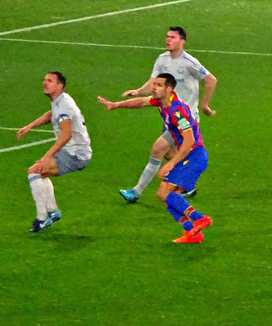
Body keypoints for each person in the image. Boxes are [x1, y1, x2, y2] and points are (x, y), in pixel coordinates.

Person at [98, 73, 212, 243]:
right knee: (162, 194)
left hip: (194, 155)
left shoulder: (177, 110)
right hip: (189, 156)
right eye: (154, 84)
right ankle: (192, 233)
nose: (154, 87)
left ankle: (199, 219)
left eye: (159, 85)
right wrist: (116, 105)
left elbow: (190, 140)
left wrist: (170, 164)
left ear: (169, 89)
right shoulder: (161, 102)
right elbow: (140, 102)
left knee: (166, 192)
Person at [117, 26, 217, 202]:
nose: (168, 40)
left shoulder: (189, 63)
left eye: (172, 37)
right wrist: (138, 91)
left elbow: (211, 80)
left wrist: (204, 105)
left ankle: (135, 192)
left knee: (158, 148)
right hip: (169, 116)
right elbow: (153, 82)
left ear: (182, 41)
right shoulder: (162, 59)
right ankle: (188, 185)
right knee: (170, 153)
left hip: (185, 117)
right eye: (167, 36)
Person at [17, 71, 92, 233]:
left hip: (76, 154)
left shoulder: (64, 104)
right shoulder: (59, 100)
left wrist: (47, 156)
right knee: (41, 172)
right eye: (44, 79)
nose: (45, 83)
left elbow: (66, 134)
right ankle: (52, 212)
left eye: (50, 81)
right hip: (75, 150)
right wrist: (31, 125)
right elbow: (52, 114)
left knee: (35, 171)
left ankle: (42, 218)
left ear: (60, 85)